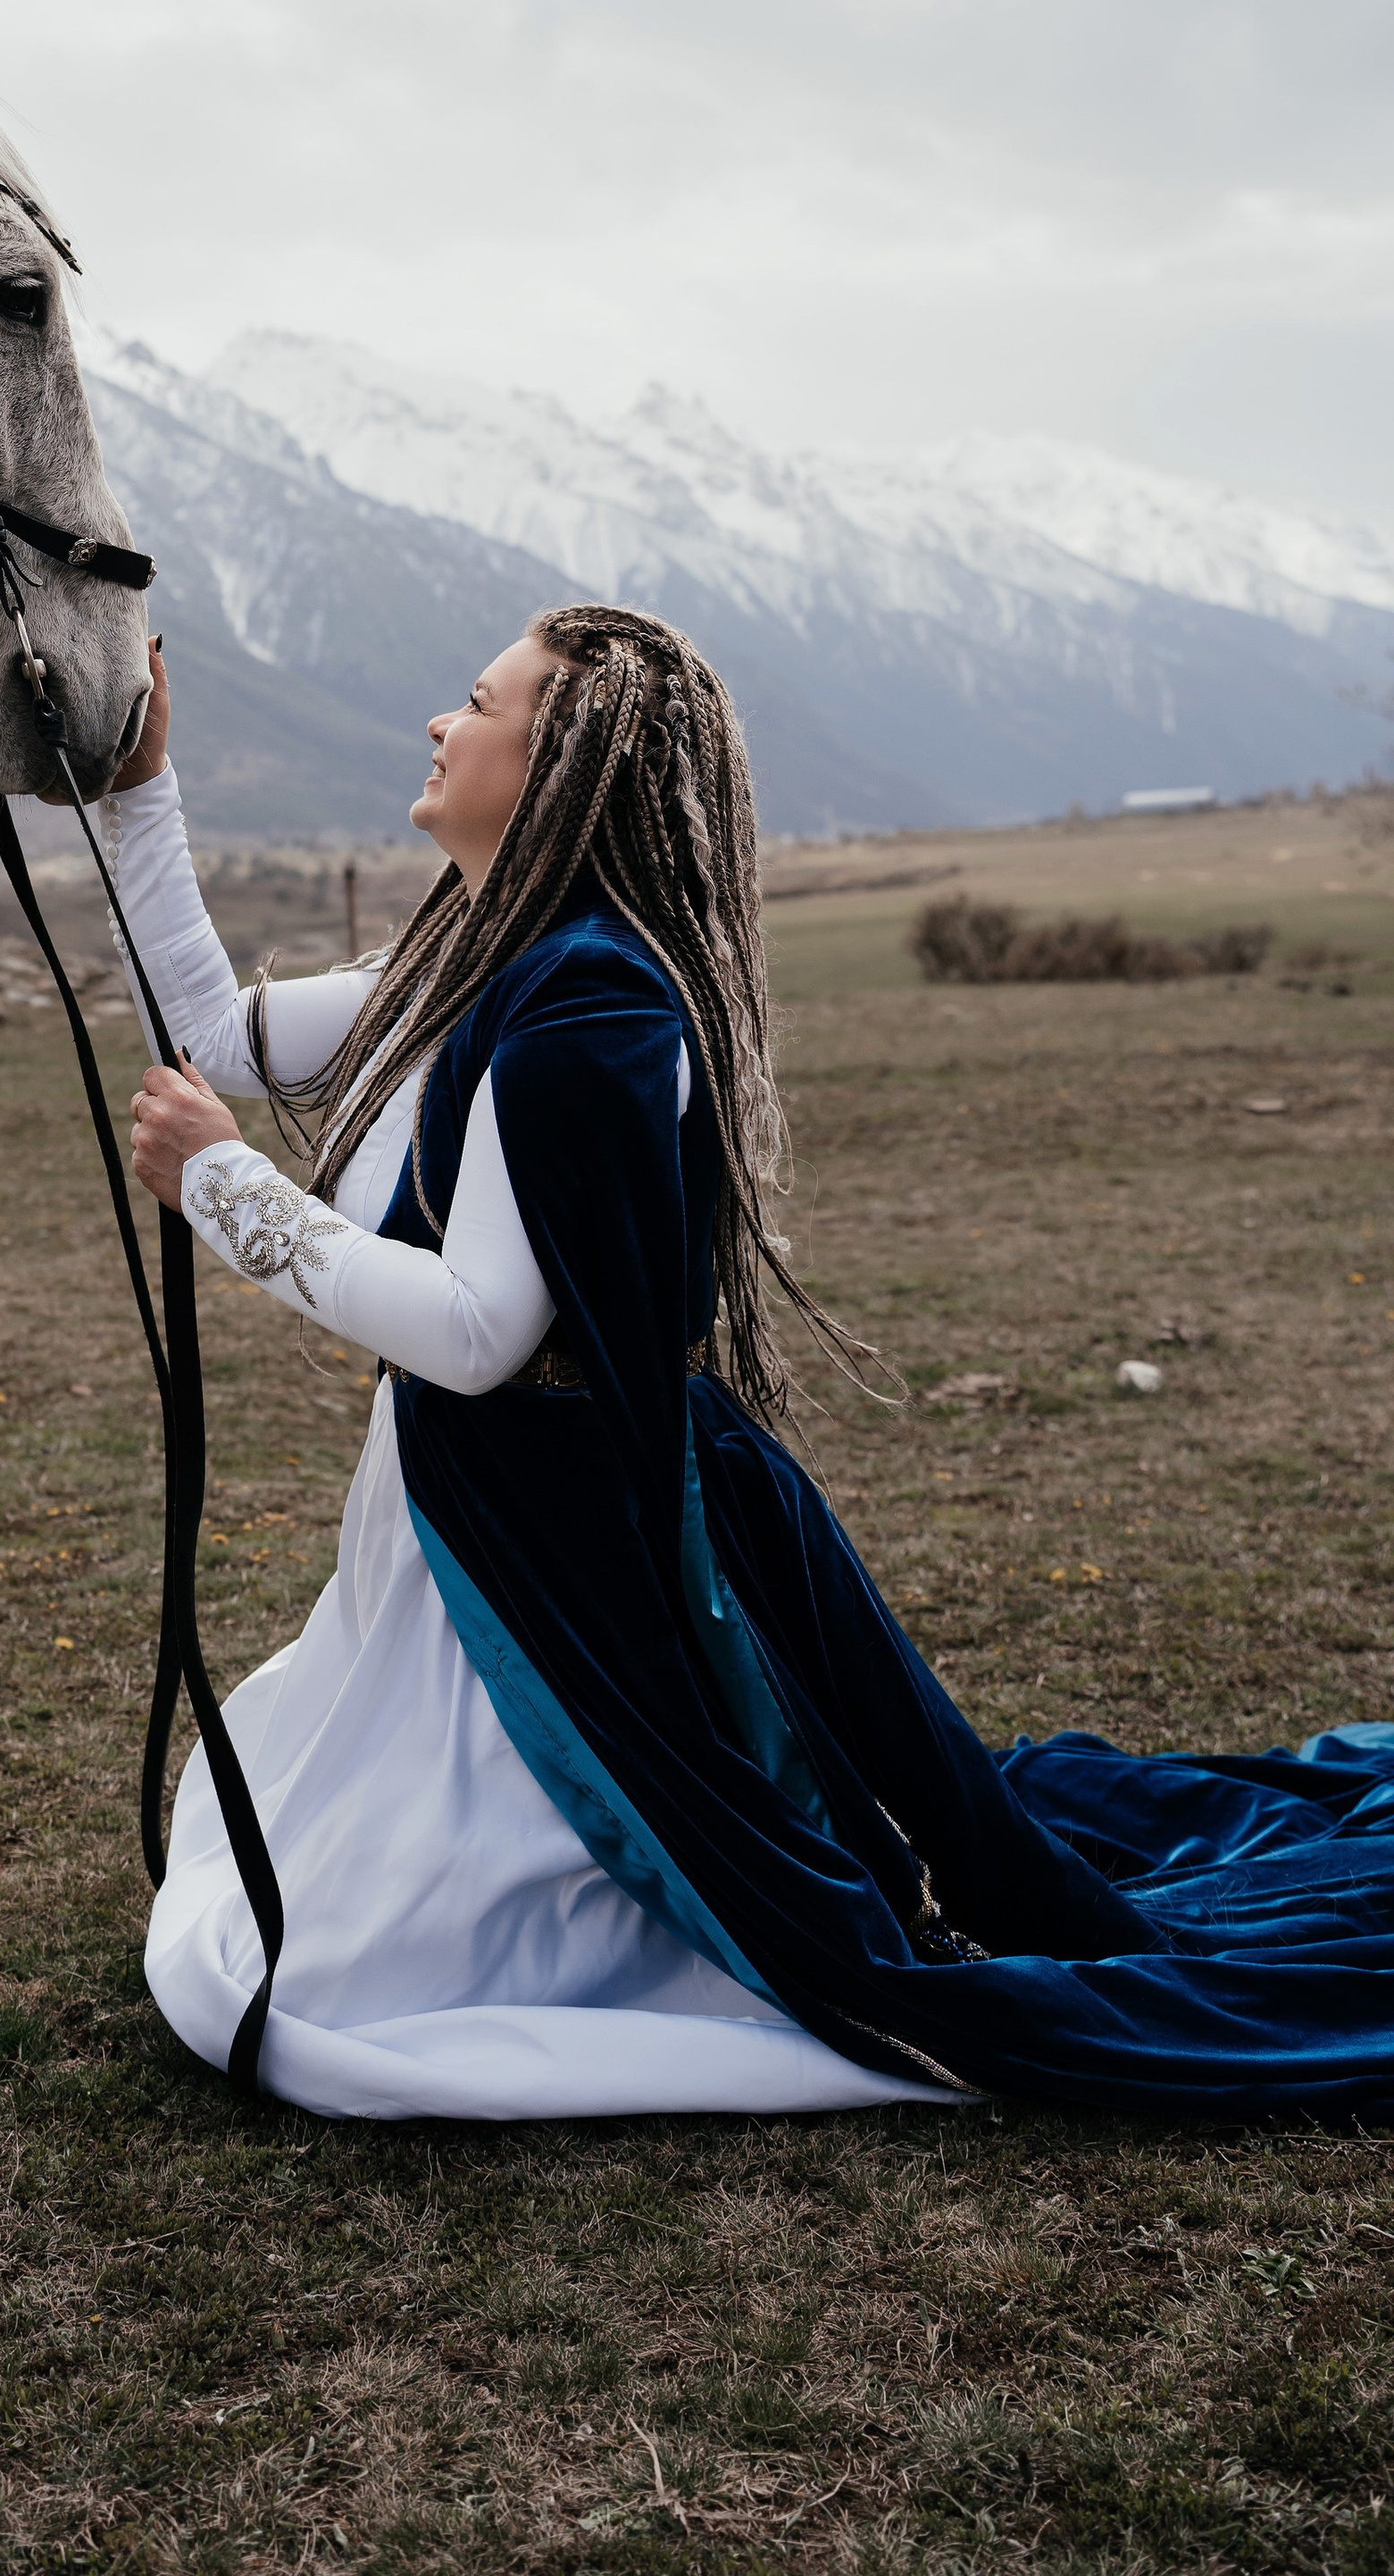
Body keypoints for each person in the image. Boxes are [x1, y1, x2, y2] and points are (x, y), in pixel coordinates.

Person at [113, 606, 1394, 2122]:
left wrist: (227, 1191)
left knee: (361, 1964)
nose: (439, 725)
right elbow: (209, 1031)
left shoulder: (590, 1000)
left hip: (548, 1535)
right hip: (472, 1507)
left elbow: (477, 1332)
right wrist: (137, 792)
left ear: (562, 762)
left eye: (477, 702)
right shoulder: (477, 955)